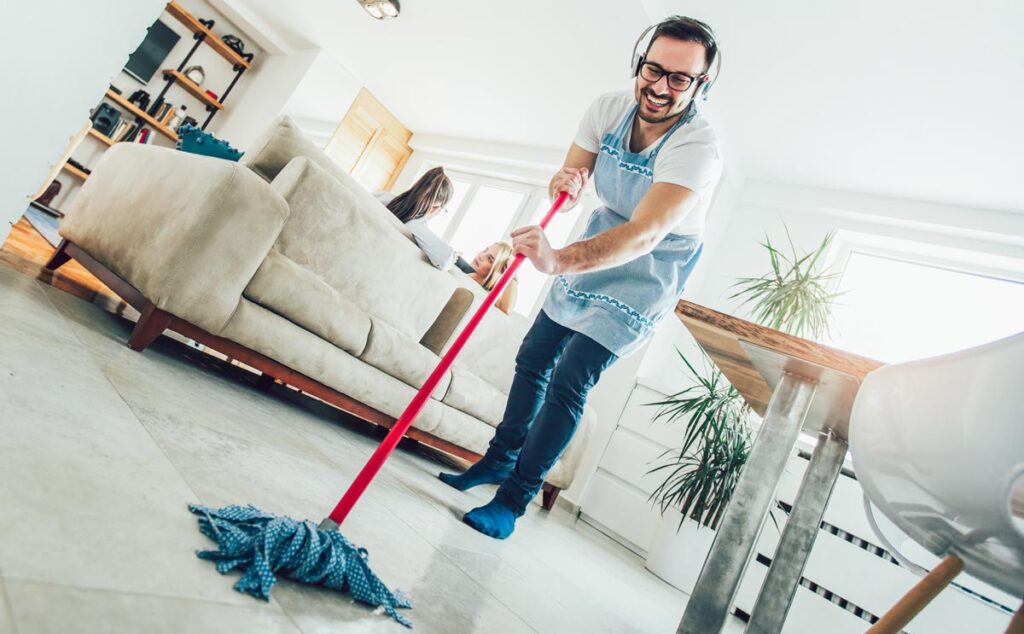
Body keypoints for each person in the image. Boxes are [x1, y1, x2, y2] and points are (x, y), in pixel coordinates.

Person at [439, 16, 723, 539]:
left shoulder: (698, 148)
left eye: (679, 79)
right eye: (652, 69)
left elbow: (644, 236)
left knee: (571, 377)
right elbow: (569, 178)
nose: (659, 87)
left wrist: (558, 259)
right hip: (598, 240)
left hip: (650, 266)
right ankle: (497, 461)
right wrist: (563, 183)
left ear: (701, 84)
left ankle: (513, 500)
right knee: (532, 359)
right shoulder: (608, 108)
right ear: (640, 62)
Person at [374, 167, 458, 271]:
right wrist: (454, 256)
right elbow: (445, 261)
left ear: (415, 185)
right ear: (435, 208)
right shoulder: (416, 227)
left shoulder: (383, 197)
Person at [467, 241, 518, 314]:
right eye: (485, 250)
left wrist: (512, 274)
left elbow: (507, 309)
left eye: (489, 259)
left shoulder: (485, 296)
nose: (481, 256)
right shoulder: (457, 265)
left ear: (496, 270)